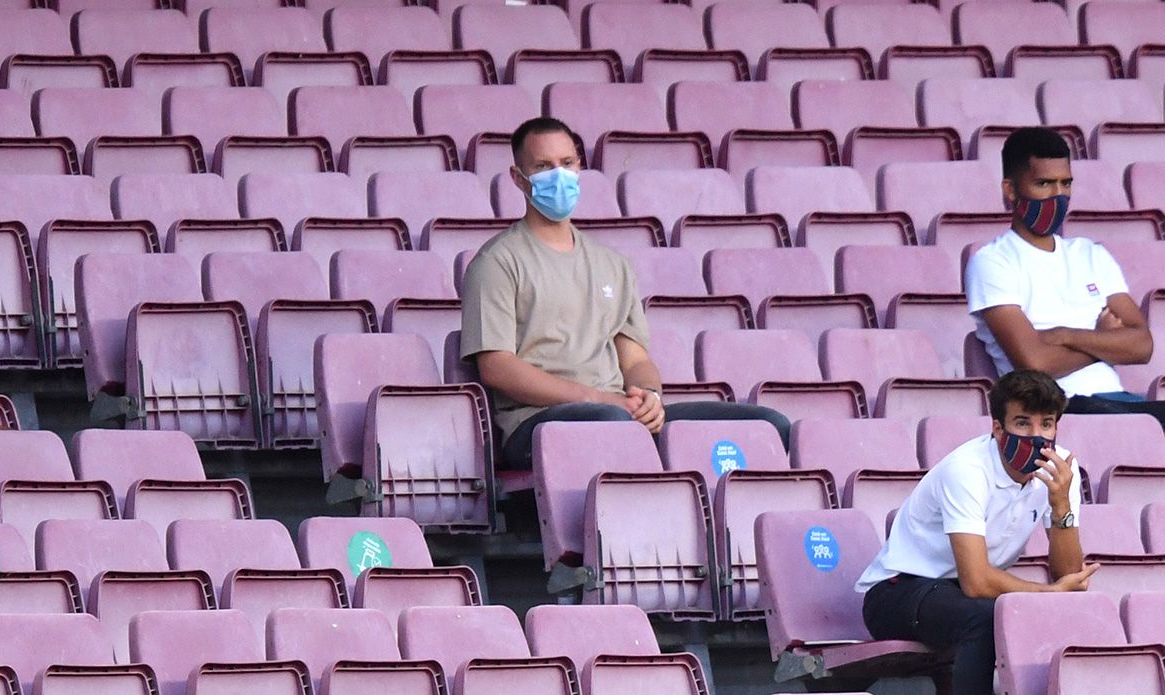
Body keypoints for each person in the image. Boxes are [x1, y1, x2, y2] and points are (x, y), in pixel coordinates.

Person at [460, 117, 790, 470]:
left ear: (580, 167)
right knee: (612, 425)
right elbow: (497, 367)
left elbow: (634, 360)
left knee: (767, 425)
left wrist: (648, 397)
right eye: (543, 166)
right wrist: (598, 398)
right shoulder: (496, 262)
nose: (559, 176)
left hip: (617, 412)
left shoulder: (611, 264)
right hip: (537, 423)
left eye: (567, 164)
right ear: (517, 177)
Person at [857, 369, 1097, 695]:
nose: (1037, 436)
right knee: (986, 619)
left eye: (1047, 423)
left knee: (1069, 615)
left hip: (956, 593)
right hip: (897, 591)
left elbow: (1068, 575)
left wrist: (1060, 509)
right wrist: (1048, 595)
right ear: (998, 428)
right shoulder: (967, 470)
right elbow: (977, 582)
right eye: (1023, 423)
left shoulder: (1061, 470)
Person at [964, 126, 1165, 429]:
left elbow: (1141, 345)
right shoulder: (992, 262)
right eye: (1043, 183)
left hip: (1120, 402)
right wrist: (1103, 340)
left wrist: (1065, 336)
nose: (1057, 195)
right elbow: (1034, 366)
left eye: (1065, 184)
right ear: (1010, 190)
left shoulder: (1090, 254)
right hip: (1057, 409)